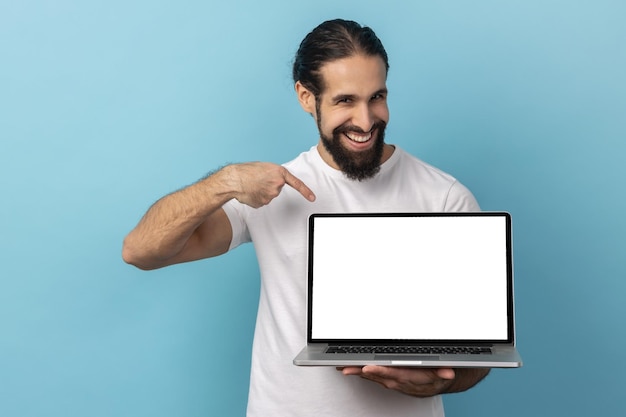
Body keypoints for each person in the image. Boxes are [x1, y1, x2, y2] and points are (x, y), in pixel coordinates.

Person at [123, 18, 489, 417]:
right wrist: (224, 182)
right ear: (306, 97)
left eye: (377, 97)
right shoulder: (270, 192)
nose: (366, 121)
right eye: (345, 101)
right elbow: (141, 251)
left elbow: (479, 355)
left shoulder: (444, 197)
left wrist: (440, 382)